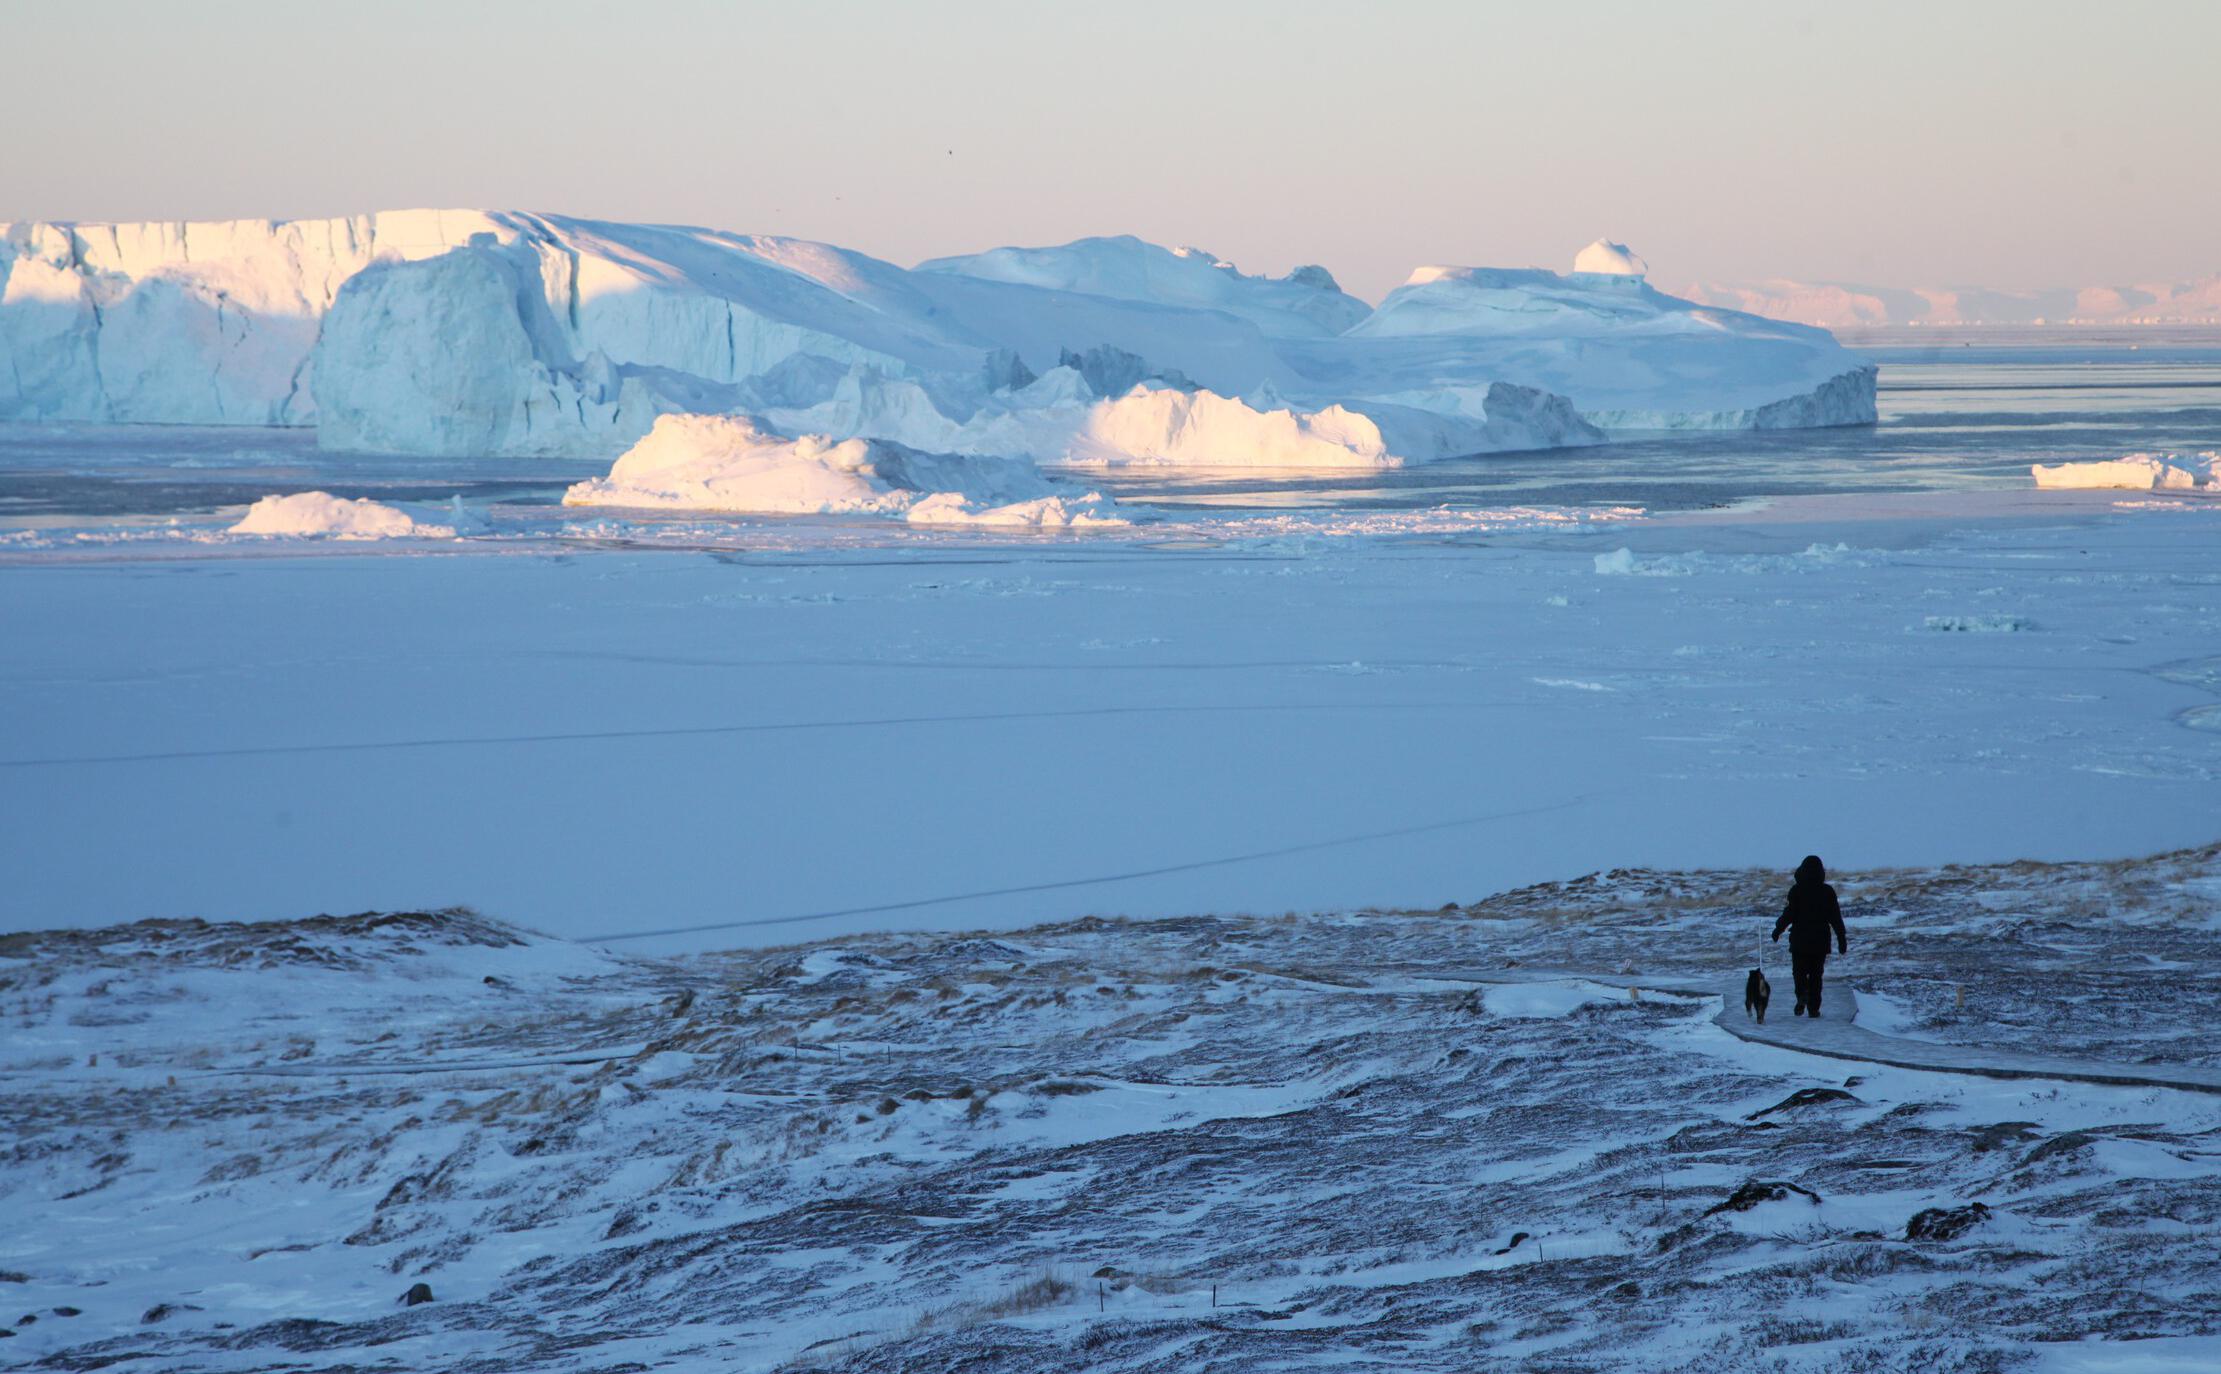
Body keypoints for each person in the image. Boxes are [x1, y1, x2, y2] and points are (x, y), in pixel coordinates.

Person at [1771, 855, 1846, 1018]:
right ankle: (1814, 1009)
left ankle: (1802, 994)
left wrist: (1778, 930)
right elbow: (1835, 917)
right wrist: (1842, 939)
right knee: (1816, 975)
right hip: (1820, 941)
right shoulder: (1827, 892)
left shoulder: (1797, 890)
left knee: (1799, 973)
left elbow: (1789, 914)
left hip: (1800, 941)